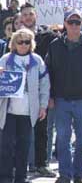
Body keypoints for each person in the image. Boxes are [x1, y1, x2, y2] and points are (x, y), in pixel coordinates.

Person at [46, 8, 82, 183]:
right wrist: (48, 96)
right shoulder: (54, 45)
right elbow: (48, 72)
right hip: (61, 99)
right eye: (71, 22)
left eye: (77, 22)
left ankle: (79, 174)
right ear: (64, 24)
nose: (74, 26)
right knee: (63, 139)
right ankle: (65, 174)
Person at [0, 28, 50, 183]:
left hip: (29, 112)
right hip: (8, 111)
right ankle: (5, 178)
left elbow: (44, 85)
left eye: (26, 42)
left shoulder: (37, 60)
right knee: (6, 147)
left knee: (24, 147)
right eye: (20, 41)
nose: (23, 45)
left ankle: (21, 178)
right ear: (14, 43)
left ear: (31, 44)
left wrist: (43, 106)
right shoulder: (5, 59)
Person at [20, 3, 57, 177]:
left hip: (41, 88)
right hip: (19, 93)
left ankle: (42, 163)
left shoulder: (47, 35)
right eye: (25, 14)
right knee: (20, 131)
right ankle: (21, 165)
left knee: (42, 129)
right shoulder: (16, 37)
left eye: (30, 14)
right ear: (21, 17)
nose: (28, 17)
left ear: (35, 15)